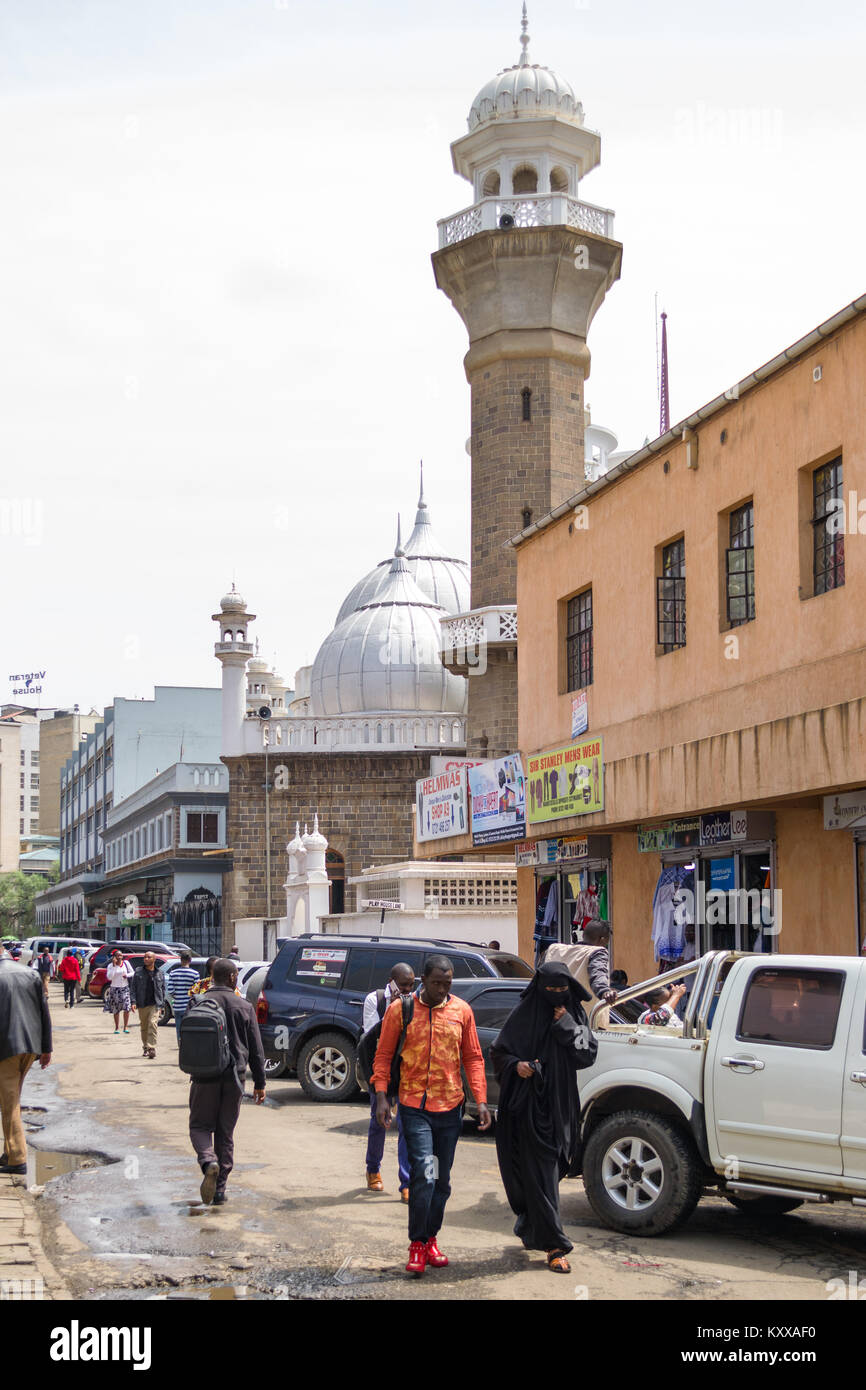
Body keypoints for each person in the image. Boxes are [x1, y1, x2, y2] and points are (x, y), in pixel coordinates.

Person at [372, 953, 491, 1276]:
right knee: (423, 1176)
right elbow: (383, 1056)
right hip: (415, 1107)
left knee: (442, 1181)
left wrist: (480, 1100)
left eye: (447, 984)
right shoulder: (402, 1010)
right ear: (424, 981)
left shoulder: (461, 1011)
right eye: (437, 983)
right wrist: (382, 1096)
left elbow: (473, 1058)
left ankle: (431, 1239)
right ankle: (416, 1242)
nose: (442, 989)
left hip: (450, 1108)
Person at [490, 960, 597, 1274]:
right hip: (527, 1107)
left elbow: (586, 1054)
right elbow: (499, 1051)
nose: (557, 994)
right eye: (550, 989)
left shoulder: (573, 1013)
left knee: (550, 1173)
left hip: (560, 1104)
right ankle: (556, 1246)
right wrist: (518, 1066)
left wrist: (565, 1026)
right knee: (542, 1176)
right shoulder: (525, 1013)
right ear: (540, 988)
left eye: (562, 989)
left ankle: (531, 1225)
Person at [188, 958, 266, 1205]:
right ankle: (220, 1189)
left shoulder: (198, 1002)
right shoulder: (243, 1005)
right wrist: (260, 1083)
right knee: (225, 1132)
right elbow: (256, 1049)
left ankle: (208, 1160)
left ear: (211, 977)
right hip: (235, 1077)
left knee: (200, 1126)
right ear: (233, 978)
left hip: (203, 1075)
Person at [362, 963, 414, 1198]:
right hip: (381, 1069)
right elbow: (374, 1034)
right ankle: (373, 1170)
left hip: (405, 1071)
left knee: (406, 1125)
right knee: (379, 1121)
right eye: (403, 985)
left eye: (411, 985)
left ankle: (407, 1181)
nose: (407, 990)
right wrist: (391, 1009)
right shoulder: (375, 1000)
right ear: (391, 981)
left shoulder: (414, 1001)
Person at [0, 942, 52, 1175]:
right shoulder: (29, 973)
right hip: (30, 1047)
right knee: (12, 1098)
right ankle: (9, 1152)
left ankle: (18, 1158)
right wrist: (46, 1048)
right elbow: (44, 1011)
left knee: (9, 1102)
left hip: (6, 1049)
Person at [544, 919, 617, 1027]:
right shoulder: (597, 953)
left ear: (583, 935)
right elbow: (598, 974)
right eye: (607, 941)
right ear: (602, 939)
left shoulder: (556, 950)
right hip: (584, 1027)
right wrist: (604, 991)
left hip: (553, 1023)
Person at [130, 951, 165, 1059]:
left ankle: (151, 1047)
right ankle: (145, 1047)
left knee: (153, 1023)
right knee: (144, 1027)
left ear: (154, 959)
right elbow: (133, 988)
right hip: (142, 1003)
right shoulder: (138, 972)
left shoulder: (159, 973)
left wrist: (161, 1004)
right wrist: (133, 1002)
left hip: (154, 1003)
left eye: (148, 957)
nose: (146, 959)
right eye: (145, 957)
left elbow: (162, 989)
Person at [166, 953, 200, 1040]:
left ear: (181, 960)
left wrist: (177, 997)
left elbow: (170, 990)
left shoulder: (173, 973)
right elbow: (196, 992)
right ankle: (188, 1045)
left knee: (179, 1028)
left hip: (178, 1006)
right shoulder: (195, 974)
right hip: (190, 1007)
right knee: (190, 1028)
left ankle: (180, 1044)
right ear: (190, 960)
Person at [103, 950, 135, 1034]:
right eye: (117, 955)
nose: (119, 957)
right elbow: (109, 977)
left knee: (127, 1008)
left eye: (121, 955)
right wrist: (114, 966)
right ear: (114, 957)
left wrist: (127, 975)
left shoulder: (126, 963)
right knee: (116, 1009)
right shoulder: (110, 966)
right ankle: (117, 1028)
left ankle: (125, 1027)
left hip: (125, 988)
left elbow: (132, 972)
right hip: (115, 989)